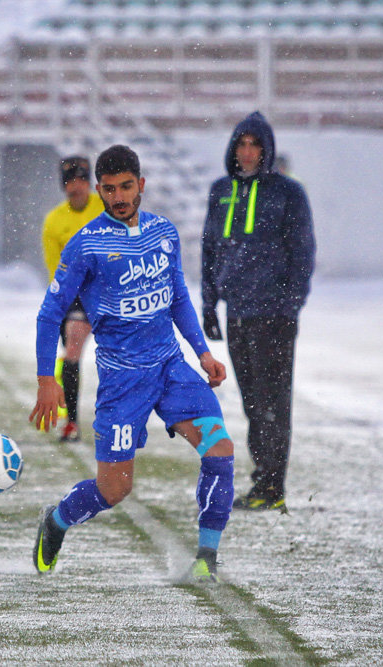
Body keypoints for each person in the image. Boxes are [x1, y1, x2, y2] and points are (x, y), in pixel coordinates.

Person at [30, 144, 235, 583]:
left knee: (220, 451)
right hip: (123, 381)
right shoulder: (86, 245)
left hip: (172, 369)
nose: (119, 197)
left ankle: (206, 558)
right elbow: (50, 314)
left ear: (141, 184)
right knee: (114, 489)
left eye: (126, 187)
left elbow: (178, 297)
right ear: (100, 192)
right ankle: (57, 520)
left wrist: (202, 353)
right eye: (110, 190)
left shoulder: (164, 232)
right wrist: (47, 378)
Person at [200, 111, 315, 512]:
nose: (248, 152)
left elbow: (302, 253)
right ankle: (262, 479)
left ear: (266, 150)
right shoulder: (221, 191)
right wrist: (209, 302)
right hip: (238, 313)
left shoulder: (287, 193)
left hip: (275, 315)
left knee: (273, 402)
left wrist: (291, 303)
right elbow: (210, 249)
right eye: (242, 144)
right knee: (252, 402)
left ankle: (272, 484)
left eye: (255, 145)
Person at [41, 156, 106, 442]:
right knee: (73, 349)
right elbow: (57, 273)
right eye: (69, 182)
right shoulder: (55, 221)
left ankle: (124, 417)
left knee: (121, 356)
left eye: (80, 180)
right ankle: (72, 422)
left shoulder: (105, 208)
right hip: (77, 296)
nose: (74, 187)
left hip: (110, 291)